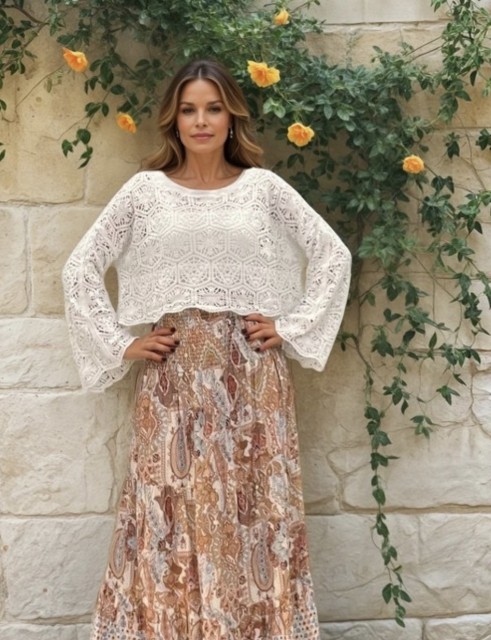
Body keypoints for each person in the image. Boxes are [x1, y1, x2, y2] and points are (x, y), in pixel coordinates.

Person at [63, 59, 351, 640]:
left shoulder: (263, 189)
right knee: (167, 515)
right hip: (172, 380)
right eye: (189, 109)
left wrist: (290, 327)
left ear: (231, 116)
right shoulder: (145, 193)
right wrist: (122, 344)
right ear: (174, 119)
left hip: (254, 380)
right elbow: (80, 268)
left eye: (213, 108)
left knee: (257, 513)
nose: (201, 121)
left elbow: (333, 255)